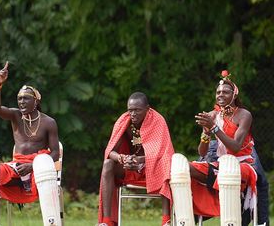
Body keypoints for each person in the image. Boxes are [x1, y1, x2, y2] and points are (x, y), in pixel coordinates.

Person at [0, 62, 62, 226]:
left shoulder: (49, 122)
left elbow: (56, 153)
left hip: (39, 170)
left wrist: (32, 167)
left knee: (43, 162)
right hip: (16, 167)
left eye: (26, 99)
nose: (21, 102)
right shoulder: (15, 116)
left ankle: (52, 224)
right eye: (19, 99)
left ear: (36, 101)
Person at [171, 70, 258, 225]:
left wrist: (214, 128)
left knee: (227, 169)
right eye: (218, 92)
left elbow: (236, 147)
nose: (220, 95)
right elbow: (202, 152)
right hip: (220, 164)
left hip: (242, 165)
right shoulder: (213, 115)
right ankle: (186, 219)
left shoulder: (244, 115)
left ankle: (232, 212)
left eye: (225, 92)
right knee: (184, 168)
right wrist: (206, 134)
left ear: (234, 95)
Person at [98, 92, 175, 226]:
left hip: (153, 168)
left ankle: (166, 220)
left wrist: (140, 161)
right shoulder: (124, 121)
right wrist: (123, 158)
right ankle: (106, 222)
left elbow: (162, 152)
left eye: (137, 110)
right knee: (107, 163)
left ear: (147, 108)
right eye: (130, 110)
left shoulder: (158, 120)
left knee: (166, 162)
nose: (133, 114)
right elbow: (110, 151)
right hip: (129, 167)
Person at [199, 140, 270, 226]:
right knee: (259, 182)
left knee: (258, 181)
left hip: (237, 147)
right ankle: (261, 221)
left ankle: (261, 221)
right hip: (221, 147)